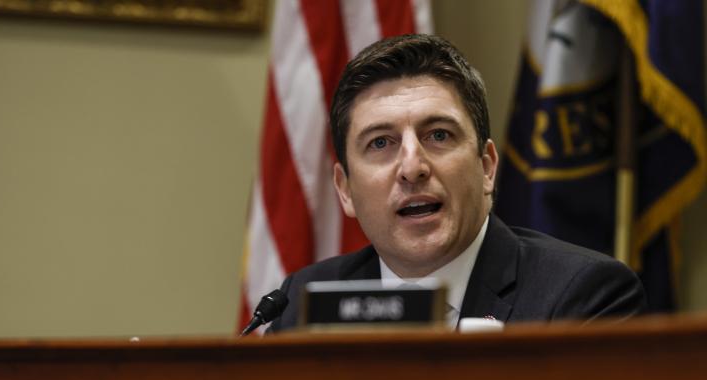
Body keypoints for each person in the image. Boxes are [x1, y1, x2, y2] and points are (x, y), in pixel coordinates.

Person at [267, 34, 646, 333]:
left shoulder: (581, 298)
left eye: (439, 135)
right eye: (380, 142)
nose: (412, 167)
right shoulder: (301, 302)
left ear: (486, 167)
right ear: (345, 189)